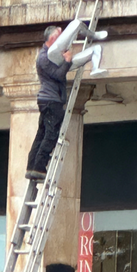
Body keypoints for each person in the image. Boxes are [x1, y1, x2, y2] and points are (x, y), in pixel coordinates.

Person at [26, 19, 108, 180]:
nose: (62, 38)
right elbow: (58, 75)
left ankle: (32, 167)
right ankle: (39, 167)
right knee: (50, 134)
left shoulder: (51, 56)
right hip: (51, 101)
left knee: (42, 134)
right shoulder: (44, 58)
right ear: (52, 40)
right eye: (59, 36)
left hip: (47, 101)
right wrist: (68, 61)